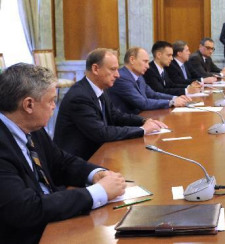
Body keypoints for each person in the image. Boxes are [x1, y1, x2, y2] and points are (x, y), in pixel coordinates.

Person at [0, 63, 127, 243]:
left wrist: (96, 174)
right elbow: (25, 210)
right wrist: (97, 193)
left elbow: (61, 162)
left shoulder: (32, 127)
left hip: (52, 218)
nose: (54, 107)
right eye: (51, 100)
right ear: (29, 104)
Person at [54, 48, 165, 160]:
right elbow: (101, 133)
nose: (118, 75)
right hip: (78, 161)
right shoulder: (79, 96)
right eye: (113, 69)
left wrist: (143, 121)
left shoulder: (100, 88)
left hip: (97, 153)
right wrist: (142, 130)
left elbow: (116, 116)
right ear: (95, 69)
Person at [109, 47, 190, 114]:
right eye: (145, 62)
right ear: (132, 60)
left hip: (143, 116)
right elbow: (142, 103)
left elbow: (153, 94)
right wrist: (171, 102)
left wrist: (175, 98)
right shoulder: (121, 78)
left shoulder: (139, 76)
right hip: (128, 123)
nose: (148, 66)